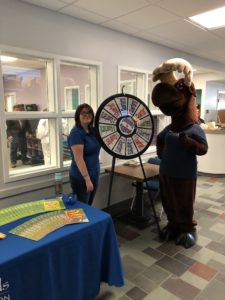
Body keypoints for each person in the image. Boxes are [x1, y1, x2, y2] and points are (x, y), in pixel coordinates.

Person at [68, 103, 101, 205]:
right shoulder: (76, 133)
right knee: (82, 208)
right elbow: (79, 159)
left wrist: (131, 124)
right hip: (81, 177)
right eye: (83, 113)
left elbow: (112, 133)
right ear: (78, 116)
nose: (87, 115)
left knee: (89, 205)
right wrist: (87, 180)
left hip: (94, 173)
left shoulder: (93, 130)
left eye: (89, 112)